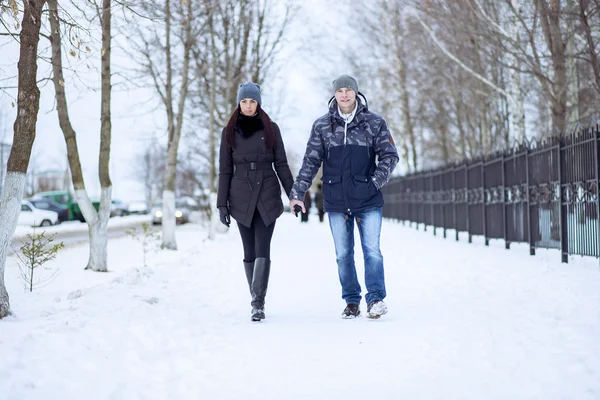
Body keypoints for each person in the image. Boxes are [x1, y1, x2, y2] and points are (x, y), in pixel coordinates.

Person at [289, 74, 399, 319]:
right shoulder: (322, 126)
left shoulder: (374, 123)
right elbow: (311, 161)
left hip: (368, 199)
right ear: (334, 94)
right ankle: (351, 301)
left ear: (356, 93)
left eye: (349, 90)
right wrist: (298, 193)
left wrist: (374, 183)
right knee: (343, 254)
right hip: (337, 201)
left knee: (372, 250)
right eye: (340, 91)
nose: (345, 95)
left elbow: (390, 156)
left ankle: (376, 299)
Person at [217, 82, 294, 322]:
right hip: (240, 195)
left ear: (258, 103)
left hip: (267, 194)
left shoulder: (271, 128)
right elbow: (224, 170)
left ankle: (257, 303)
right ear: (238, 103)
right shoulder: (229, 131)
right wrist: (222, 203)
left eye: (252, 101)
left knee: (263, 248)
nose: (248, 106)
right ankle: (256, 297)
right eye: (244, 101)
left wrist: (294, 195)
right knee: (248, 250)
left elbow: (281, 163)